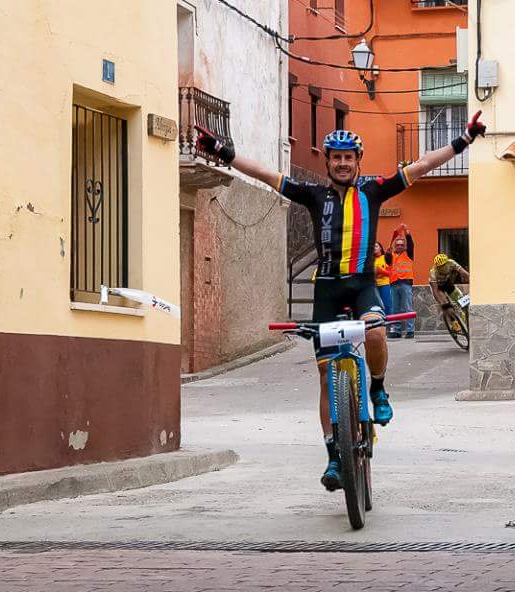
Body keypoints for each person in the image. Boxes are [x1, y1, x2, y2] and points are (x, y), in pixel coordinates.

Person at [194, 111, 486, 491]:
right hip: (327, 291)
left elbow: (422, 165)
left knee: (378, 334)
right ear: (328, 162)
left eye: (349, 158)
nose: (343, 163)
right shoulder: (313, 195)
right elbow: (267, 175)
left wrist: (462, 141)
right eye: (336, 158)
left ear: (357, 162)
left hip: (364, 285)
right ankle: (334, 454)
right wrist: (223, 152)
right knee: (325, 376)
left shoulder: (374, 190)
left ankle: (378, 388)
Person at [429, 253, 470, 332]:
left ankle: (465, 316)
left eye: (443, 265)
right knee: (446, 305)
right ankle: (453, 322)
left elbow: (464, 273)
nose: (441, 267)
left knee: (462, 300)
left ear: (447, 263)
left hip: (448, 284)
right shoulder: (433, 272)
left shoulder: (451, 263)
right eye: (439, 267)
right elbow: (435, 290)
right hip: (438, 288)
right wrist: (442, 303)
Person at [388, 224, 415, 339]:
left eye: (402, 245)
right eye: (398, 244)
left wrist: (407, 233)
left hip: (405, 283)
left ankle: (410, 331)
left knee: (408, 307)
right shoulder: (391, 255)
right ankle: (397, 330)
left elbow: (411, 244)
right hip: (394, 283)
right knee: (395, 308)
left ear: (404, 246)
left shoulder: (408, 253)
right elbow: (386, 257)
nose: (399, 246)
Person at [373, 242, 393, 315]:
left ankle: (390, 324)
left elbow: (390, 273)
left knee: (387, 305)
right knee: (378, 307)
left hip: (385, 285)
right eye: (373, 247)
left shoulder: (385, 257)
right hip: (375, 286)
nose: (374, 248)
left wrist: (381, 271)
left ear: (380, 248)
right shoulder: (371, 260)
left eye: (376, 246)